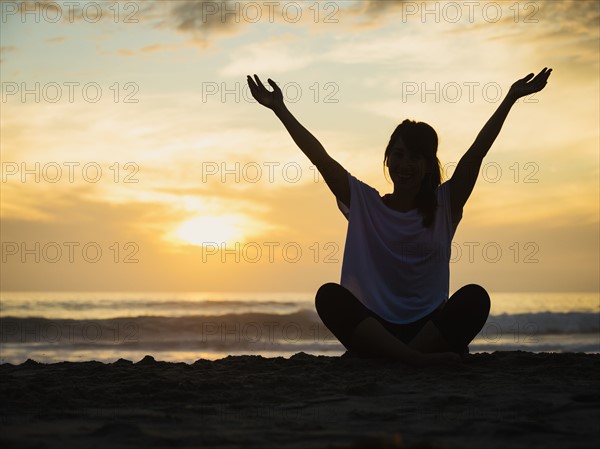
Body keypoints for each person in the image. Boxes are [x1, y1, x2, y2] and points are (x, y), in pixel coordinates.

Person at [246, 68, 552, 366]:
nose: (405, 164)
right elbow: (320, 158)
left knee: (475, 298)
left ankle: (394, 358)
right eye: (399, 154)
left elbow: (477, 153)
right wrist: (279, 109)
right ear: (388, 158)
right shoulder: (364, 202)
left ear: (428, 165)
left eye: (416, 157)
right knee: (328, 296)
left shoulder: (446, 203)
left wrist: (510, 99)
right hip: (375, 328)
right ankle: (414, 359)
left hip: (427, 327)